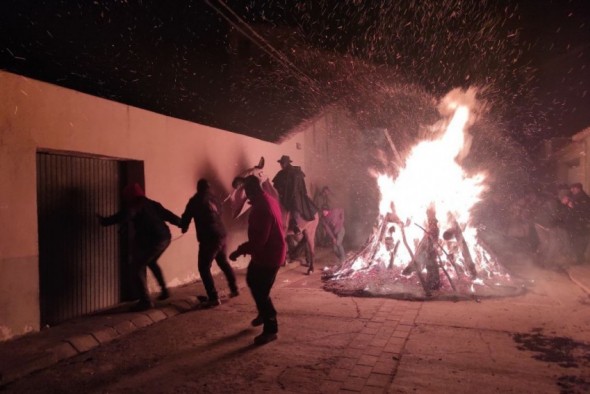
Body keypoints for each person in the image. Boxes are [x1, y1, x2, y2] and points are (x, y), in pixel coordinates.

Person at [98, 183, 181, 310]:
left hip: (154, 241)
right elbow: (168, 215)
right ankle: (164, 291)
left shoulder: (134, 206)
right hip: (165, 237)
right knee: (151, 262)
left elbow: (125, 215)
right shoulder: (152, 203)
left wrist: (105, 221)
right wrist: (181, 223)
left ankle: (145, 301)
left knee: (137, 267)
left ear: (129, 196)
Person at [229, 175, 286, 345]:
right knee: (253, 281)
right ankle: (264, 312)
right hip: (266, 254)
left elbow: (259, 241)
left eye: (246, 191)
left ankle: (271, 329)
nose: (245, 195)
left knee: (261, 291)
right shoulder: (268, 198)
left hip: (270, 255)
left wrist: (239, 251)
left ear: (250, 190)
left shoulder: (262, 208)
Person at [180, 179, 239, 307]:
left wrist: (183, 227)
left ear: (198, 188)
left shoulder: (195, 200)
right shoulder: (215, 199)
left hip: (209, 237)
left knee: (204, 266)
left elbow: (186, 217)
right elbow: (220, 212)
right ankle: (234, 288)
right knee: (223, 262)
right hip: (221, 234)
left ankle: (213, 297)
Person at [272, 155, 318, 273]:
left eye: (283, 163)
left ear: (287, 162)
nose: (282, 165)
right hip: (284, 196)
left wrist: (289, 195)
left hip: (295, 196)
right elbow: (276, 184)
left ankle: (296, 224)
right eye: (281, 163)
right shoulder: (281, 173)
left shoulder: (295, 173)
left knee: (294, 207)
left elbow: (296, 188)